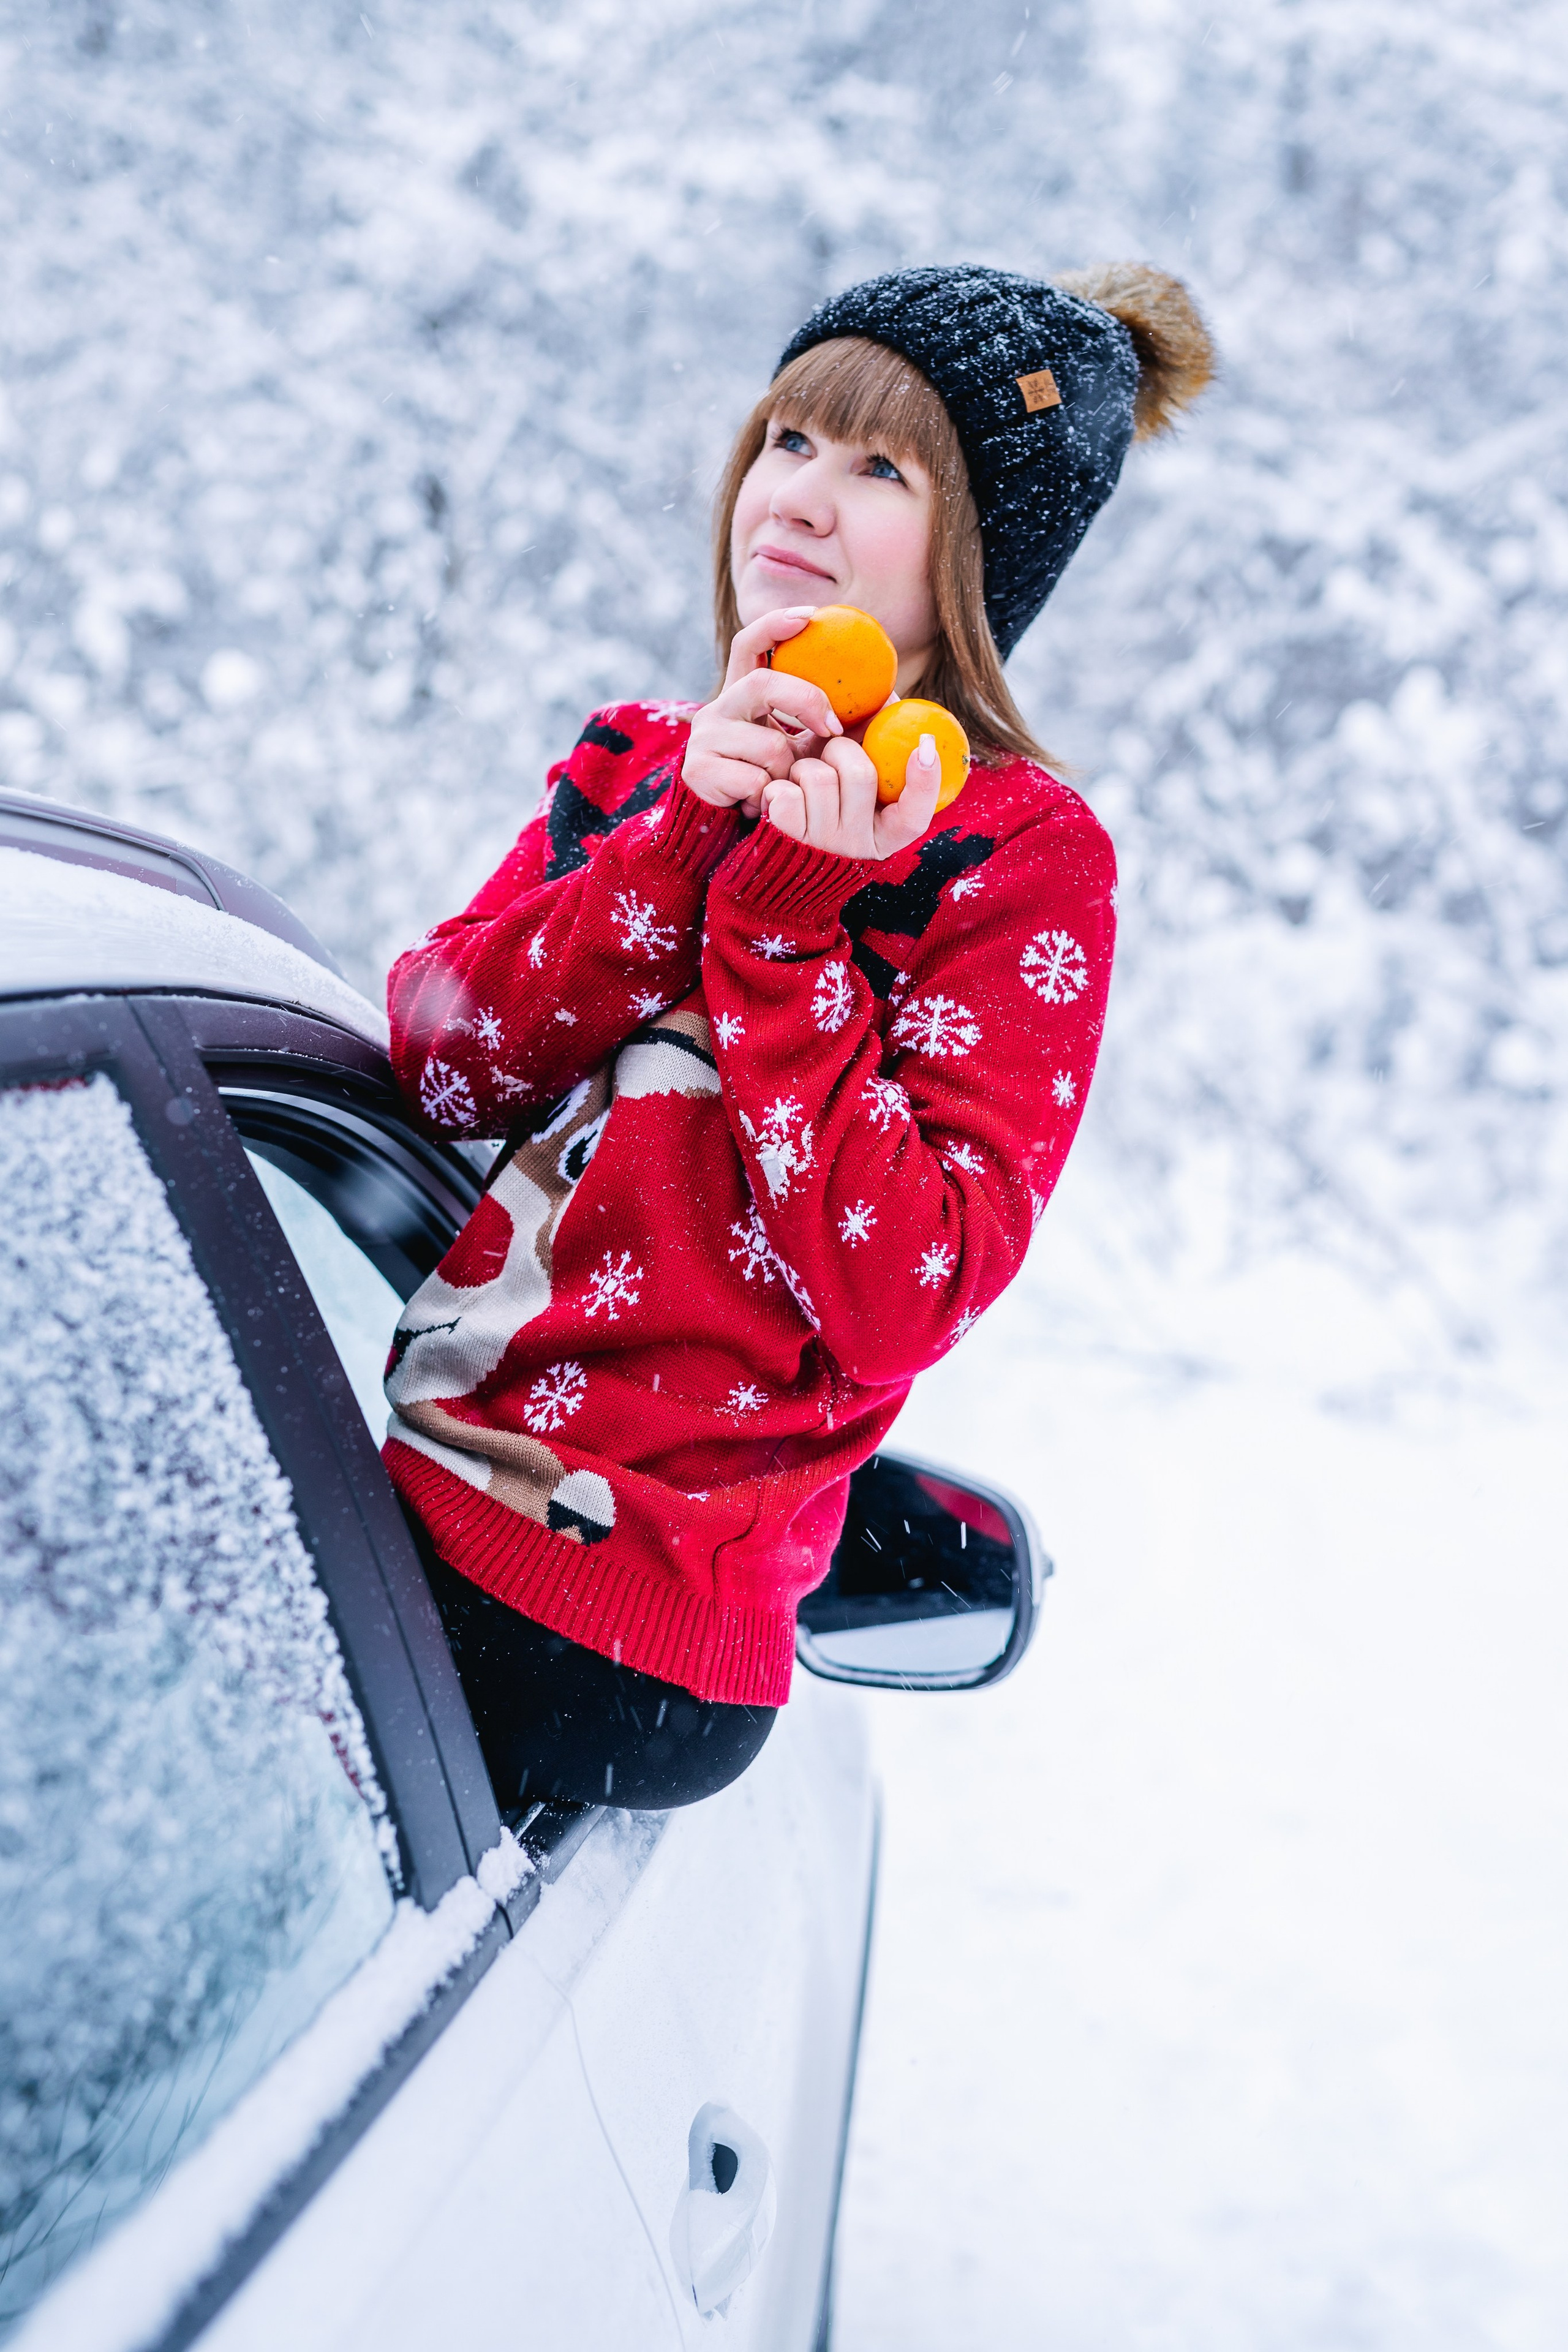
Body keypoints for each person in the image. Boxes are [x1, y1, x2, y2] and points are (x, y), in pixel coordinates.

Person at [383, 262, 1215, 1812]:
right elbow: (446, 1058)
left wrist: (778, 937)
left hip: (610, 1638)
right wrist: (679, 840)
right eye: (788, 441)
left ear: (977, 553)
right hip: (406, 1503)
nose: (802, 500)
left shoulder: (1017, 858)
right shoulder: (639, 762)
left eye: (881, 468)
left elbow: (901, 1290)